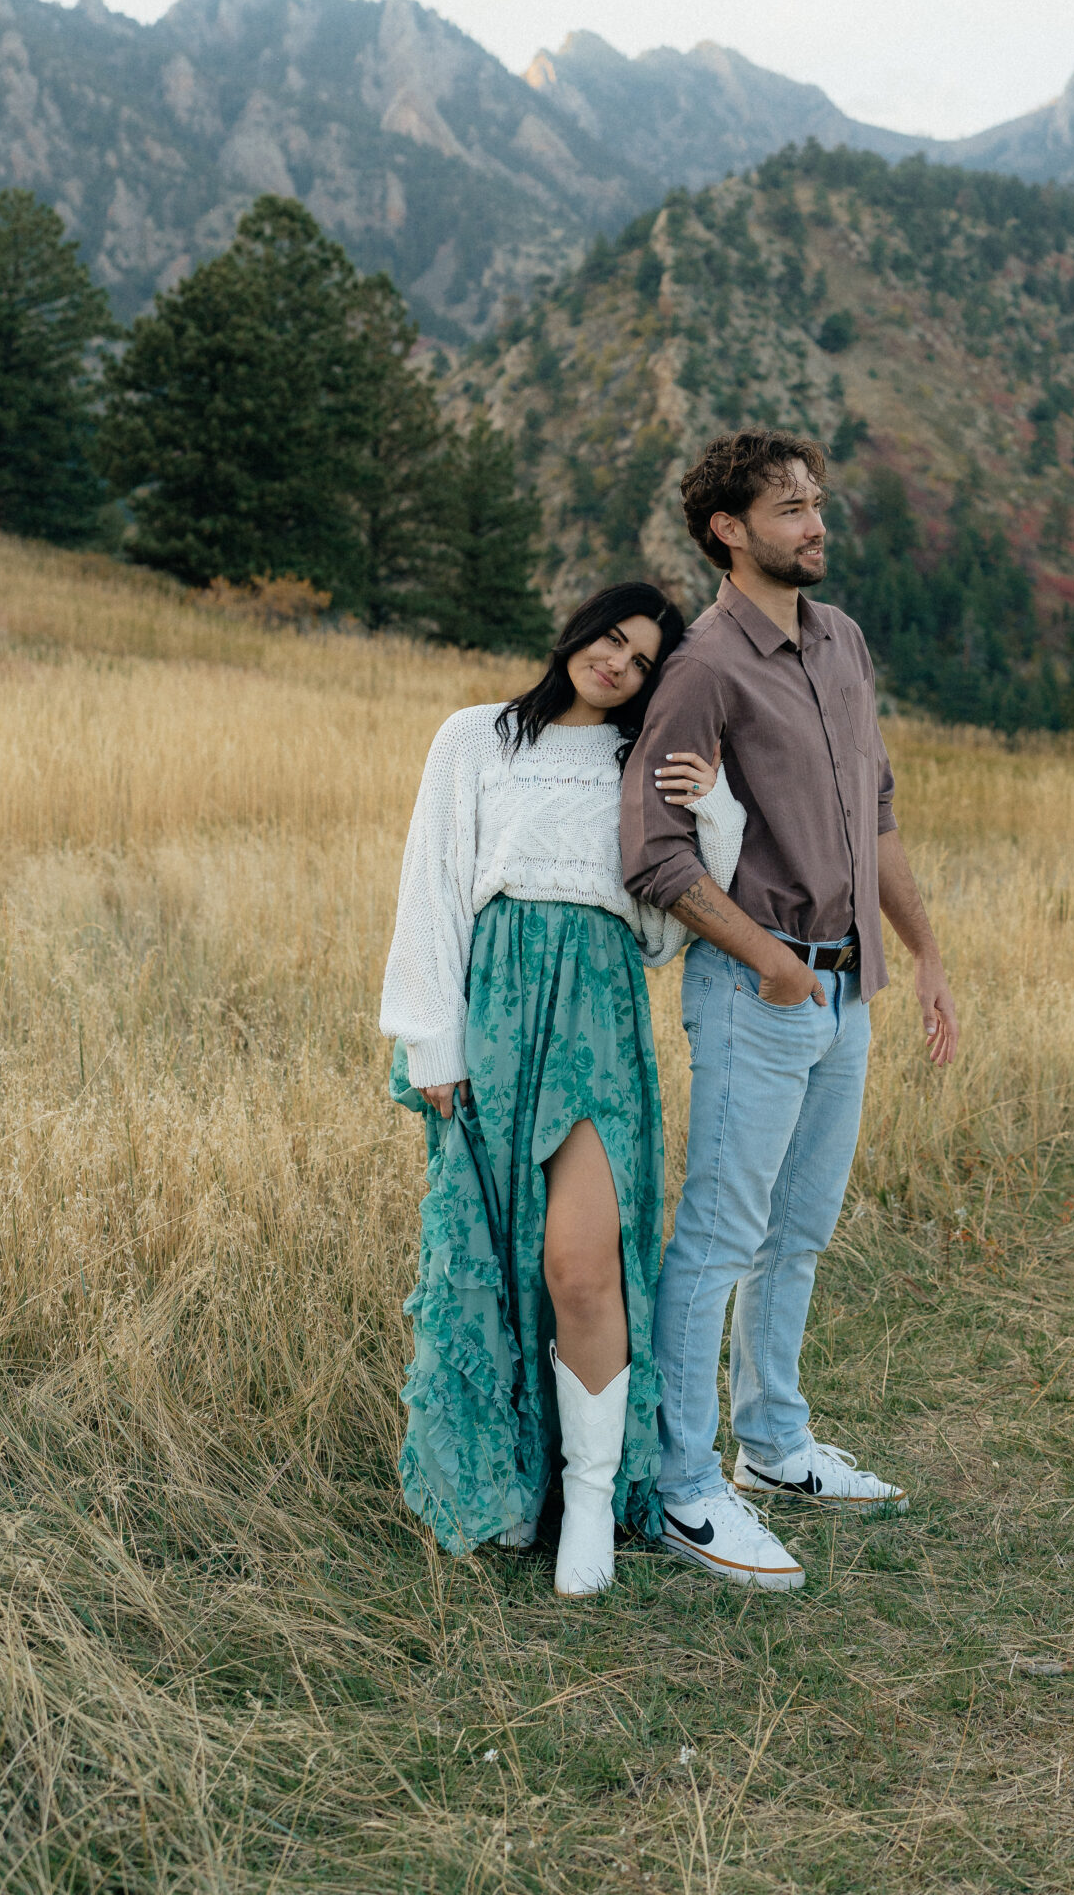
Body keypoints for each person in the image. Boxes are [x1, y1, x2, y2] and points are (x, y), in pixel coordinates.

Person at [623, 430, 959, 1592]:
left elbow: (879, 810)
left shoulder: (842, 640)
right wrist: (770, 962)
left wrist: (925, 955)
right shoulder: (703, 669)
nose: (817, 525)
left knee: (798, 1231)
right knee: (719, 1236)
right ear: (729, 530)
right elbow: (654, 853)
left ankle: (772, 1444)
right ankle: (684, 1486)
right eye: (790, 509)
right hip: (756, 991)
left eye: (817, 503)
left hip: (849, 985)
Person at [381, 581, 743, 1596]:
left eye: (642, 660)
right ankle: (510, 1487)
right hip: (492, 1013)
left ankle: (590, 1496)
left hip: (598, 1017)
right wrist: (431, 1041)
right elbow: (431, 885)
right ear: (577, 631)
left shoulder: (639, 767)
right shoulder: (475, 737)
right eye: (609, 638)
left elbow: (666, 931)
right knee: (495, 1260)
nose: (617, 663)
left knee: (581, 1269)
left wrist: (714, 810)